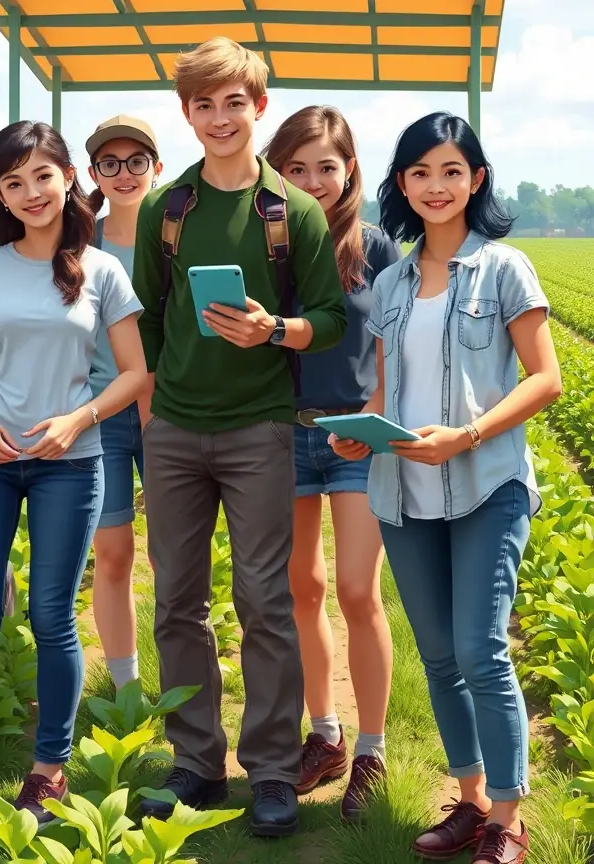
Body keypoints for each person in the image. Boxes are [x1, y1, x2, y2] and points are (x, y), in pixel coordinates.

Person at [329, 112, 561, 864]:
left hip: (486, 483)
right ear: (402, 183)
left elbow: (546, 380)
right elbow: (390, 389)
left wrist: (468, 435)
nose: (437, 186)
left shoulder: (504, 269)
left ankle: (508, 817)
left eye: (452, 171)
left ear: (476, 180)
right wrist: (360, 430)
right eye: (421, 173)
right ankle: (466, 802)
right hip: (403, 491)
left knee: (481, 648)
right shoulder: (392, 281)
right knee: (437, 655)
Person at [132, 37, 348, 838]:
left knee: (266, 602)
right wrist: (159, 413)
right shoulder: (167, 209)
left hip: (260, 429)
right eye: (202, 104)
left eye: (234, 103)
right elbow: (151, 320)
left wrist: (274, 331)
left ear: (259, 108)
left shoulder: (293, 214)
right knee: (176, 604)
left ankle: (269, 770)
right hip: (177, 434)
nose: (219, 118)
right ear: (186, 114)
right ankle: (194, 765)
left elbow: (327, 319)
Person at [0, 121, 147, 832]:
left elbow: (136, 373)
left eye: (42, 176)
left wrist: (77, 422)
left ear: (66, 178)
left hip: (68, 465)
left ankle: (48, 768)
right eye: (13, 182)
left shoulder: (103, 269)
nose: (31, 193)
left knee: (53, 616)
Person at [261, 106, 400, 817]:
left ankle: (372, 752)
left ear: (350, 169)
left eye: (327, 166)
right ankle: (325, 734)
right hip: (282, 436)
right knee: (299, 591)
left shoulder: (374, 249)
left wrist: (370, 419)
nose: (314, 181)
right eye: (297, 168)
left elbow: (391, 347)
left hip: (354, 439)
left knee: (354, 590)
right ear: (276, 172)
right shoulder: (267, 247)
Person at [86, 114, 163, 691]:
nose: (124, 174)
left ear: (156, 169)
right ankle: (126, 690)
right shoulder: (78, 243)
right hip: (102, 413)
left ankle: (187, 676)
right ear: (94, 173)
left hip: (171, 414)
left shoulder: (179, 238)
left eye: (136, 162)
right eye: (109, 164)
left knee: (172, 556)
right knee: (112, 555)